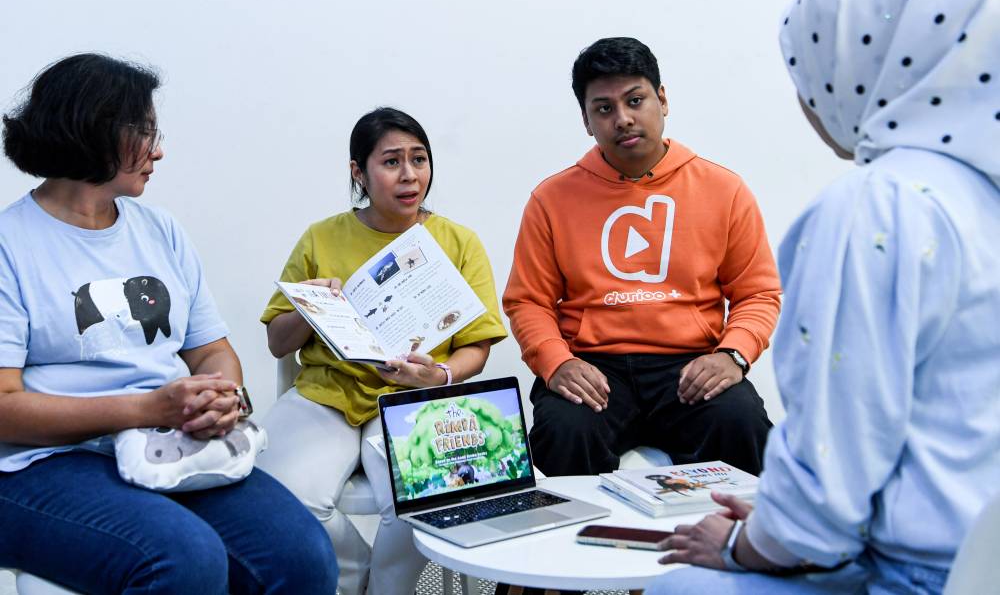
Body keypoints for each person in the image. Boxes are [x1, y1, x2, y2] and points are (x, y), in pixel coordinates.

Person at [649, 0, 1000, 593]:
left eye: (806, 73)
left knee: (677, 584)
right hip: (979, 561)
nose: (806, 102)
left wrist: (745, 542)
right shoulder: (981, 194)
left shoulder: (877, 205)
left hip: (917, 575)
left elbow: (832, 469)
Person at [0, 54, 337, 594]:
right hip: (38, 464)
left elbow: (211, 351)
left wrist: (221, 395)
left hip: (166, 442)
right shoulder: (10, 245)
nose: (159, 151)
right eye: (144, 134)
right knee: (185, 559)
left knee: (302, 558)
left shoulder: (161, 231)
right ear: (93, 131)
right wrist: (147, 408)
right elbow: (4, 407)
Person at [502, 37, 780, 477]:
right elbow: (528, 301)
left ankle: (739, 546)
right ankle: (570, 546)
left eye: (635, 100)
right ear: (587, 120)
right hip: (594, 366)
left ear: (662, 99)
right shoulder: (552, 199)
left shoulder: (723, 190)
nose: (623, 119)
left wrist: (733, 355)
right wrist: (557, 362)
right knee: (564, 430)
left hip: (690, 365)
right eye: (604, 108)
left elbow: (758, 293)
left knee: (742, 423)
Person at [257, 107, 508, 595]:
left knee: (419, 502)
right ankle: (353, 579)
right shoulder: (322, 236)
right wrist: (309, 307)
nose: (410, 174)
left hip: (415, 396)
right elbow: (276, 343)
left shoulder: (458, 242)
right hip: (327, 392)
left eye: (419, 159)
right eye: (392, 161)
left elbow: (477, 345)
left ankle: (388, 591)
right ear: (359, 172)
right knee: (282, 498)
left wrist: (441, 376)